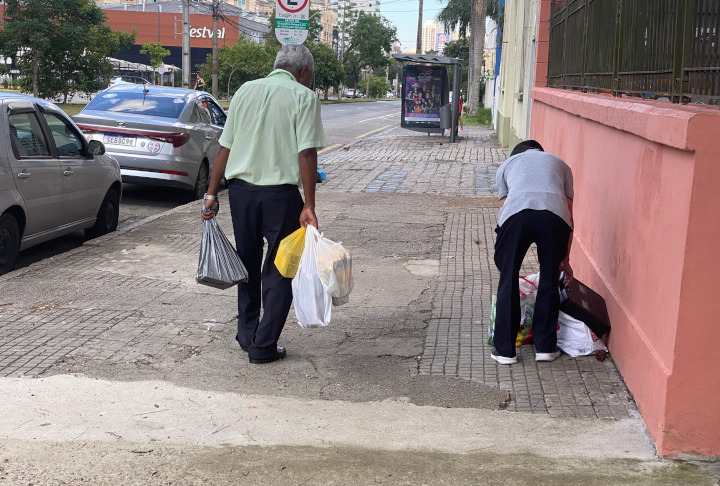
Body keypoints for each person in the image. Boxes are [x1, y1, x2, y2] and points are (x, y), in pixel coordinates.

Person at [201, 45, 326, 364]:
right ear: (303, 72)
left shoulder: (245, 91)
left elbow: (224, 147)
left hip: (241, 194)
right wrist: (309, 204)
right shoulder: (303, 96)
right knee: (282, 269)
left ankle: (247, 335)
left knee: (247, 263)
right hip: (280, 197)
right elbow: (307, 153)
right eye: (310, 77)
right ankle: (263, 345)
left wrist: (211, 194)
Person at [491, 140, 574, 365]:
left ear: (517, 154)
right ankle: (546, 348)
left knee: (508, 277)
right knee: (549, 276)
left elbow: (506, 207)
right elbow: (569, 214)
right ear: (540, 153)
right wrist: (564, 260)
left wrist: (506, 259)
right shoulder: (561, 164)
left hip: (517, 216)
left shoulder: (508, 164)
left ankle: (505, 351)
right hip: (554, 218)